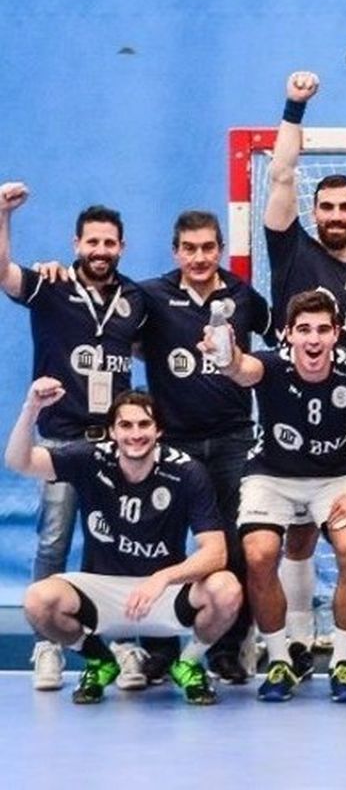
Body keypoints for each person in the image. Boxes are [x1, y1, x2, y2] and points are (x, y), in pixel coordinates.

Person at [208, 289, 346, 702]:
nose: (314, 340)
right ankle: (282, 659)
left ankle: (342, 660)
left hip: (335, 475)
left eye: (323, 329)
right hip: (272, 474)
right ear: (287, 335)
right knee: (260, 554)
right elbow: (239, 368)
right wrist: (224, 352)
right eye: (304, 330)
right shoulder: (270, 365)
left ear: (337, 333)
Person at [262, 70, 346, 679]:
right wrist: (295, 107)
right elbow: (282, 173)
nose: (336, 215)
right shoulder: (293, 251)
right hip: (290, 420)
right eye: (327, 206)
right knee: (296, 537)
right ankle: (295, 639)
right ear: (314, 212)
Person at [10, 381, 240, 705]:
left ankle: (188, 663)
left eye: (144, 424)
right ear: (112, 432)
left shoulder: (187, 472)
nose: (135, 434)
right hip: (102, 589)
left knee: (226, 589)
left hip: (162, 594)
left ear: (159, 430)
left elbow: (216, 552)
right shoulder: (90, 458)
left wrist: (163, 577)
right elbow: (19, 462)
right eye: (126, 425)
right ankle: (99, 661)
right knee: (38, 599)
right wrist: (31, 409)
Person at [0, 183, 146, 690]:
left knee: (119, 545)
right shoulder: (51, 284)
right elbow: (4, 274)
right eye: (92, 243)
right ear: (76, 243)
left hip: (117, 447)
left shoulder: (134, 299)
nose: (101, 251)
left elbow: (153, 346)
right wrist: (2, 216)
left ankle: (122, 642)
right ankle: (47, 643)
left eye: (110, 243)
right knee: (55, 540)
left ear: (122, 247)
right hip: (63, 442)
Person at [138, 210, 272, 684]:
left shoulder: (240, 295)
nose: (199, 257)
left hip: (235, 438)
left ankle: (226, 649)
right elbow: (119, 335)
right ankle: (156, 649)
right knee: (161, 543)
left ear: (219, 249)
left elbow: (279, 342)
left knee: (233, 545)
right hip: (172, 441)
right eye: (189, 249)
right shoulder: (151, 296)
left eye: (208, 248)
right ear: (176, 252)